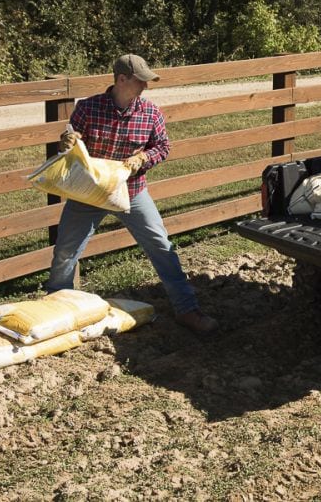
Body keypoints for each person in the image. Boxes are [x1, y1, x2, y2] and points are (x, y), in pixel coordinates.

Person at [45, 53, 218, 335]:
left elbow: (162, 147)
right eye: (141, 81)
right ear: (121, 79)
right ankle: (56, 310)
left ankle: (187, 309)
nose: (145, 87)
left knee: (161, 246)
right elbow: (71, 146)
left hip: (132, 191)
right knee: (65, 250)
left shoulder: (150, 113)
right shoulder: (88, 109)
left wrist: (142, 159)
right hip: (90, 193)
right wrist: (67, 142)